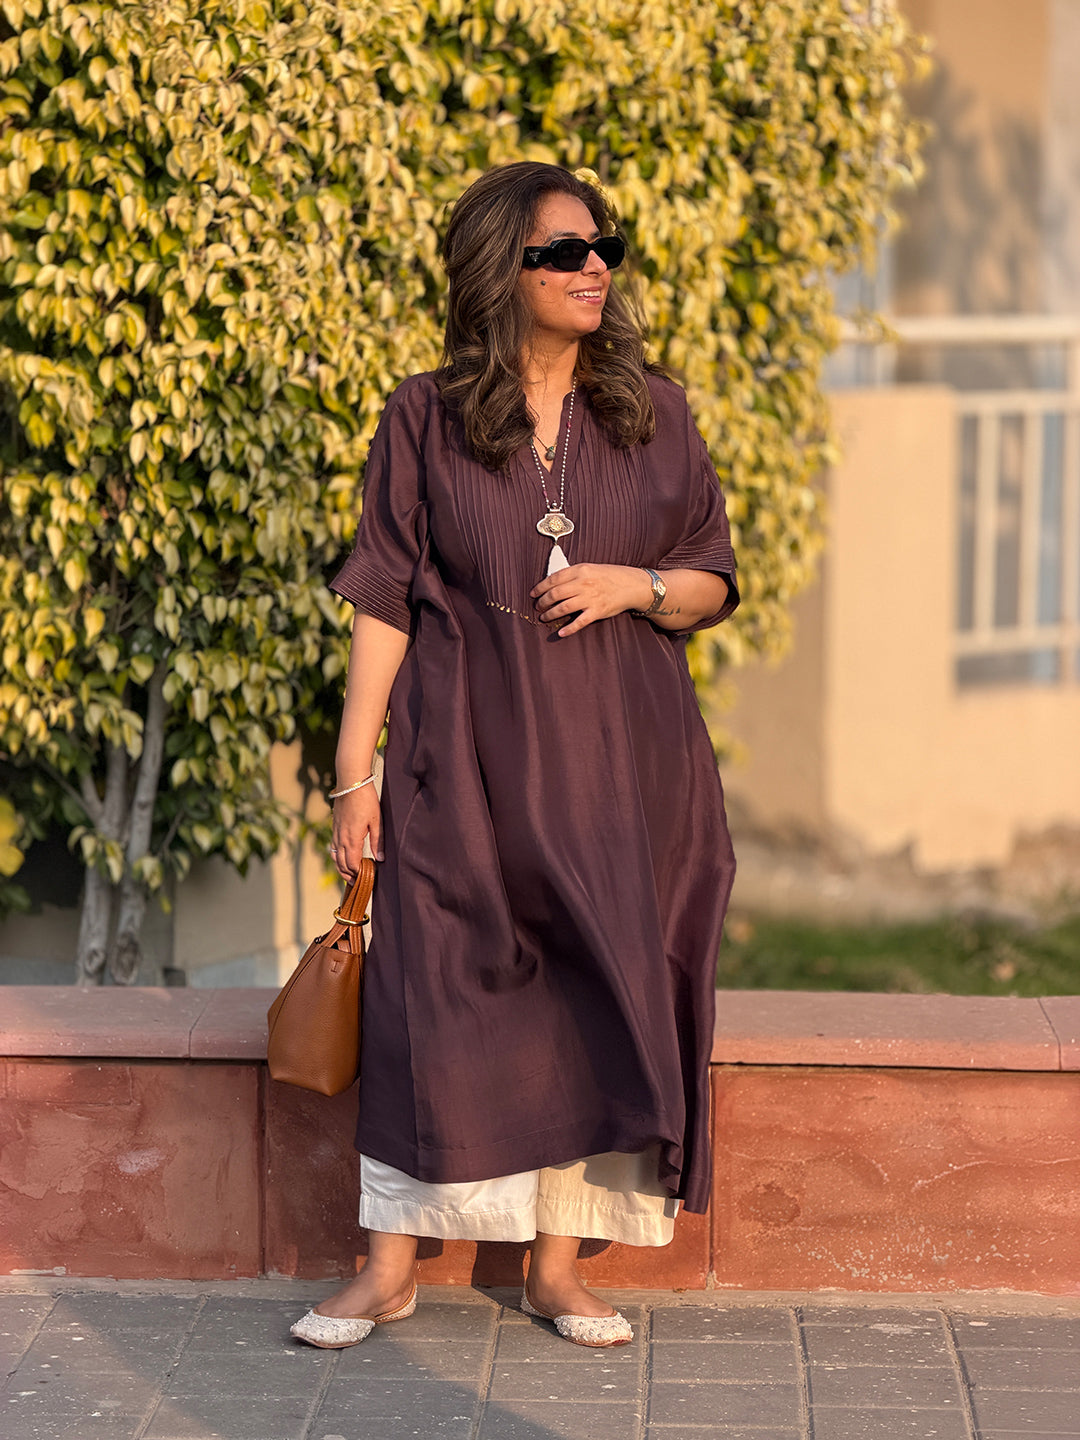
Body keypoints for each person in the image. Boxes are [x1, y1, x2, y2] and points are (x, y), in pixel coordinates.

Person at [290, 161, 738, 1352]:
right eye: (562, 250)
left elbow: (709, 580)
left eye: (604, 247)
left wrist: (634, 583)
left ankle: (556, 1269)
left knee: (599, 990)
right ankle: (386, 1269)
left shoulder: (657, 411)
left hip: (624, 765)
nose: (595, 267)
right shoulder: (424, 417)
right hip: (465, 757)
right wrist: (355, 773)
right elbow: (384, 599)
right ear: (504, 270)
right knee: (425, 990)